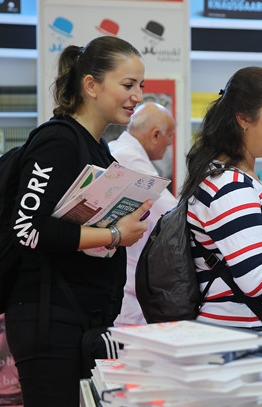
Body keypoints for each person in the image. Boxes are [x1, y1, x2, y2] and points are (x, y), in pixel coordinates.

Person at [5, 36, 152, 406]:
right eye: (127, 85)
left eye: (141, 86)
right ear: (91, 85)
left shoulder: (99, 148)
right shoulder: (57, 141)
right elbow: (28, 229)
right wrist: (115, 233)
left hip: (84, 319)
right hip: (49, 321)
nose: (137, 96)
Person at [180, 66, 262, 367]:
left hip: (246, 338)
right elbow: (255, 278)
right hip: (245, 343)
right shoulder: (232, 187)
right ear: (243, 119)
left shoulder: (230, 178)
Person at [109, 102, 179, 326]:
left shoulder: (118, 148)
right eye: (169, 136)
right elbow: (171, 214)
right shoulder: (129, 157)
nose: (170, 143)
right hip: (126, 281)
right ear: (156, 135)